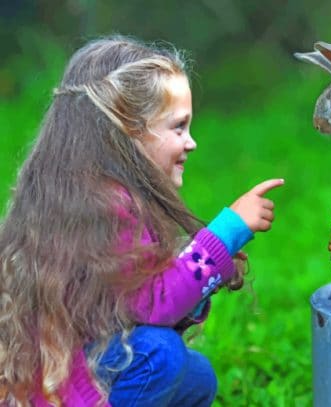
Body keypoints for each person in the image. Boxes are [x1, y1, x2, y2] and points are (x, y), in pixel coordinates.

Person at [0, 35, 284, 406]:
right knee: (159, 354)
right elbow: (158, 303)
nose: (191, 142)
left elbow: (139, 303)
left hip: (77, 374)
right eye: (178, 127)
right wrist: (227, 233)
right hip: (61, 393)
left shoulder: (87, 196)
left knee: (196, 377)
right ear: (127, 130)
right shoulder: (103, 205)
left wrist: (196, 278)